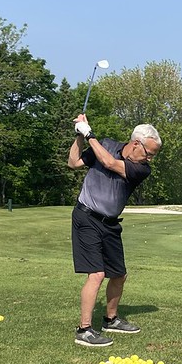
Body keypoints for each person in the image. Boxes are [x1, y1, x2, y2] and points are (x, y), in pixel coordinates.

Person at [67, 114, 162, 347]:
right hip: (86, 217)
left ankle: (110, 319)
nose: (150, 158)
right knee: (97, 274)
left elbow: (109, 163)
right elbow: (74, 163)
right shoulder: (107, 144)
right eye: (149, 153)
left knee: (119, 274)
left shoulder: (141, 169)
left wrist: (89, 134)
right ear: (136, 143)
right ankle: (84, 330)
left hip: (110, 223)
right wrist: (80, 136)